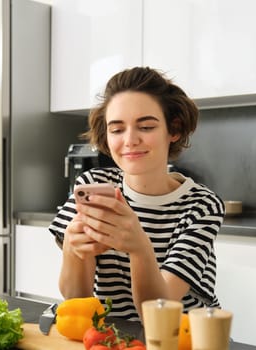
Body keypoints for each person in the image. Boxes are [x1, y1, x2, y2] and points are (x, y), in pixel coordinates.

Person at [48, 66, 225, 322]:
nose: (130, 140)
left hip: (182, 339)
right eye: (117, 129)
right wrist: (73, 251)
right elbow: (77, 300)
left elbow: (156, 314)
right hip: (113, 340)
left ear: (173, 129)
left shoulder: (201, 206)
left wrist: (139, 247)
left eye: (146, 127)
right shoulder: (92, 185)